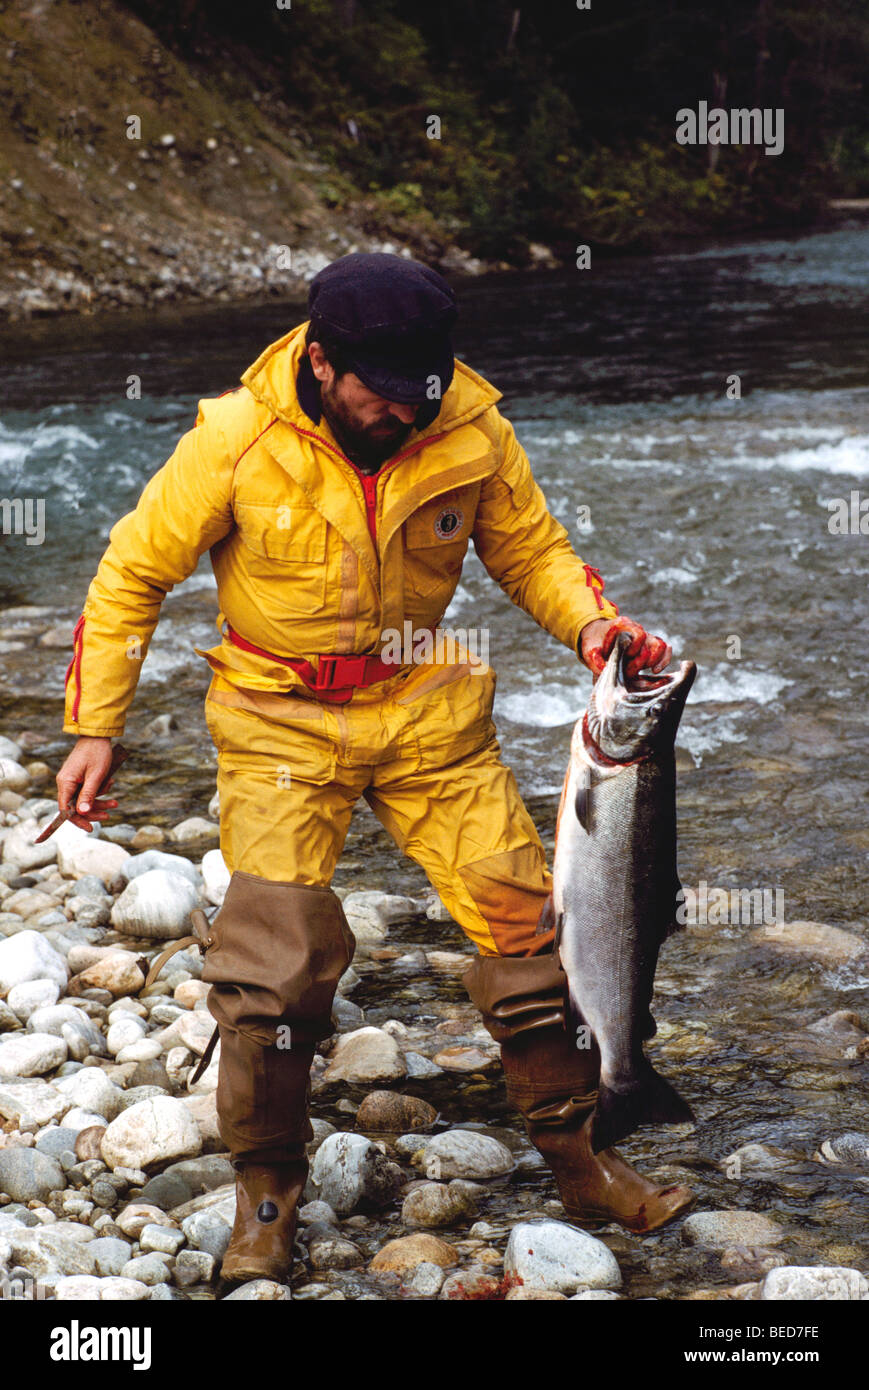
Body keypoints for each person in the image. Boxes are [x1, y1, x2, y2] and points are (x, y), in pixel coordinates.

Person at [56, 252, 692, 1284]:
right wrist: (96, 726)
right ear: (320, 363)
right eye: (383, 396)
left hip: (425, 708)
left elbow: (531, 552)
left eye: (422, 396)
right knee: (273, 975)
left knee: (534, 935)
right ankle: (266, 1200)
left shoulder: (468, 426)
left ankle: (581, 1156)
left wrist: (592, 626)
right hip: (277, 719)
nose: (405, 415)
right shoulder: (234, 438)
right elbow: (131, 572)